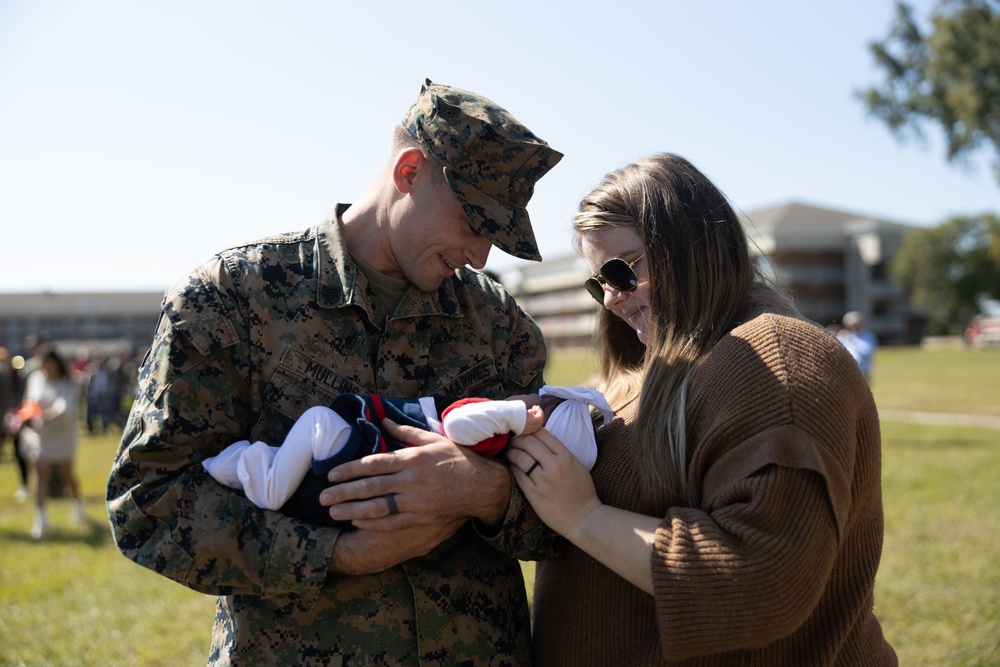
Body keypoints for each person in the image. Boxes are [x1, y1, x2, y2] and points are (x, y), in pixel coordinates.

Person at [107, 78, 562, 665]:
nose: (480, 256)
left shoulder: (499, 322)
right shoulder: (233, 299)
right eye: (476, 222)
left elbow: (563, 516)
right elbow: (148, 503)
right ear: (409, 172)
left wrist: (481, 491)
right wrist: (336, 552)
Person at [502, 154, 897, 665]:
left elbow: (762, 583)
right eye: (598, 282)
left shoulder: (776, 356)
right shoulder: (651, 362)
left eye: (622, 271)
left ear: (689, 244)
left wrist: (586, 517)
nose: (611, 300)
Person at [202, 386, 612, 527]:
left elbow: (459, 423)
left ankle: (255, 472)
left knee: (315, 426)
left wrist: (516, 416)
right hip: (357, 472)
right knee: (294, 463)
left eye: (537, 399)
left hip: (356, 451)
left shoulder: (497, 435)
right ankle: (242, 464)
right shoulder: (502, 454)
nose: (525, 395)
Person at [16, 347, 84, 539]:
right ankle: (41, 519)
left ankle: (78, 504)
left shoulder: (68, 382)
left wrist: (50, 413)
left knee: (66, 473)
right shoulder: (36, 379)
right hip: (42, 434)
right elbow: (29, 402)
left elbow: (66, 406)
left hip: (63, 434)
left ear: (57, 363)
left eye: (49, 363)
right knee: (41, 473)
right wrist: (27, 415)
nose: (46, 367)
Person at [838, 310, 878, 382]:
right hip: (847, 372)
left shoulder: (867, 336)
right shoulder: (845, 336)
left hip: (862, 372)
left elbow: (866, 351)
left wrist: (851, 339)